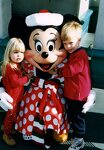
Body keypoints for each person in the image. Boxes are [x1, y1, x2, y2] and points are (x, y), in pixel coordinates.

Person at [49, 21, 91, 150]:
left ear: (79, 40)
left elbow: (70, 71)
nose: (68, 46)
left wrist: (58, 71)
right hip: (74, 92)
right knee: (73, 114)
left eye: (71, 43)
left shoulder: (80, 55)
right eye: (65, 43)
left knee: (77, 117)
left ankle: (79, 139)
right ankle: (75, 133)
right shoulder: (75, 53)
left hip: (78, 94)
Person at [1, 37, 33, 146]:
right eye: (15, 52)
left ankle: (6, 126)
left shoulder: (17, 65)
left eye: (21, 52)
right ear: (9, 52)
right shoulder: (10, 66)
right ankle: (6, 134)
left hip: (16, 97)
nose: (19, 55)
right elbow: (16, 82)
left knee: (12, 115)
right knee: (10, 116)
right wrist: (28, 77)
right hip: (11, 98)